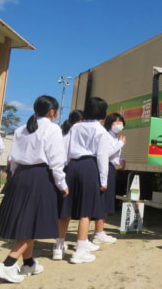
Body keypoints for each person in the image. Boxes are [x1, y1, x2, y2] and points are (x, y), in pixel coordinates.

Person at [0, 96, 68, 283]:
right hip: (41, 178)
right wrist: (62, 185)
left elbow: (13, 160)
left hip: (20, 177)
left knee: (27, 221)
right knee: (33, 222)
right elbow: (57, 161)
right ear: (53, 112)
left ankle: (28, 263)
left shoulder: (20, 130)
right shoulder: (53, 129)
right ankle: (8, 264)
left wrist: (16, 177)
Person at [54, 97, 110, 264]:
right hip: (89, 167)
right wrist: (104, 180)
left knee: (66, 208)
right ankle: (79, 251)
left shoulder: (76, 127)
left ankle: (58, 247)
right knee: (85, 211)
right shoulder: (101, 132)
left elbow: (66, 149)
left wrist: (67, 167)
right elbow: (102, 157)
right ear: (103, 114)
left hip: (73, 166)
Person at [92, 112, 126, 244]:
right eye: (116, 122)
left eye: (121, 122)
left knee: (107, 201)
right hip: (104, 168)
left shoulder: (115, 137)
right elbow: (105, 154)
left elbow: (113, 156)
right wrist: (121, 144)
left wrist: (121, 160)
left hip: (111, 169)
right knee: (103, 201)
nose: (119, 125)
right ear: (109, 124)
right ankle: (98, 233)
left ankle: (100, 232)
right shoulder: (107, 136)